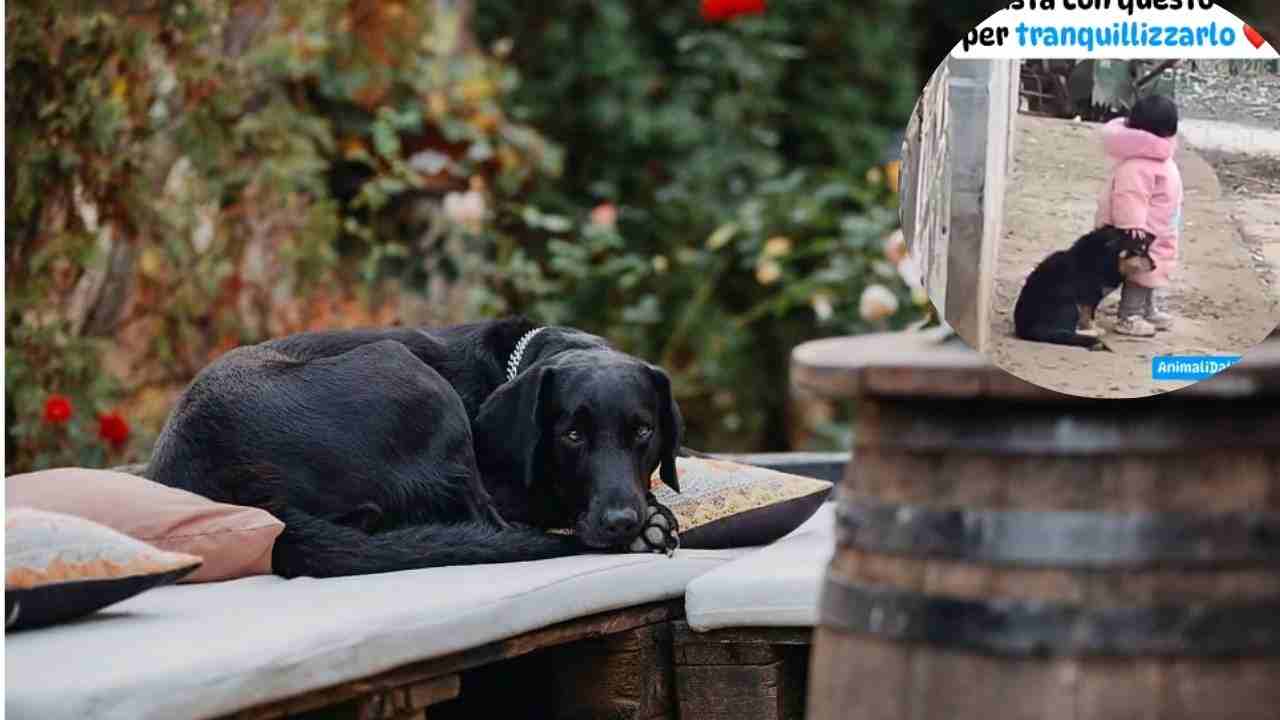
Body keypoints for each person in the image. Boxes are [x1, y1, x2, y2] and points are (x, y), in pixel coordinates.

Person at [1094, 93, 1184, 336]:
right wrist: (1132, 226)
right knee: (1138, 272)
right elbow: (1129, 197)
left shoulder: (1158, 157)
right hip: (1141, 232)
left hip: (1157, 227)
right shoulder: (1138, 165)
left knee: (1153, 270)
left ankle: (1147, 309)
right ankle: (1129, 315)